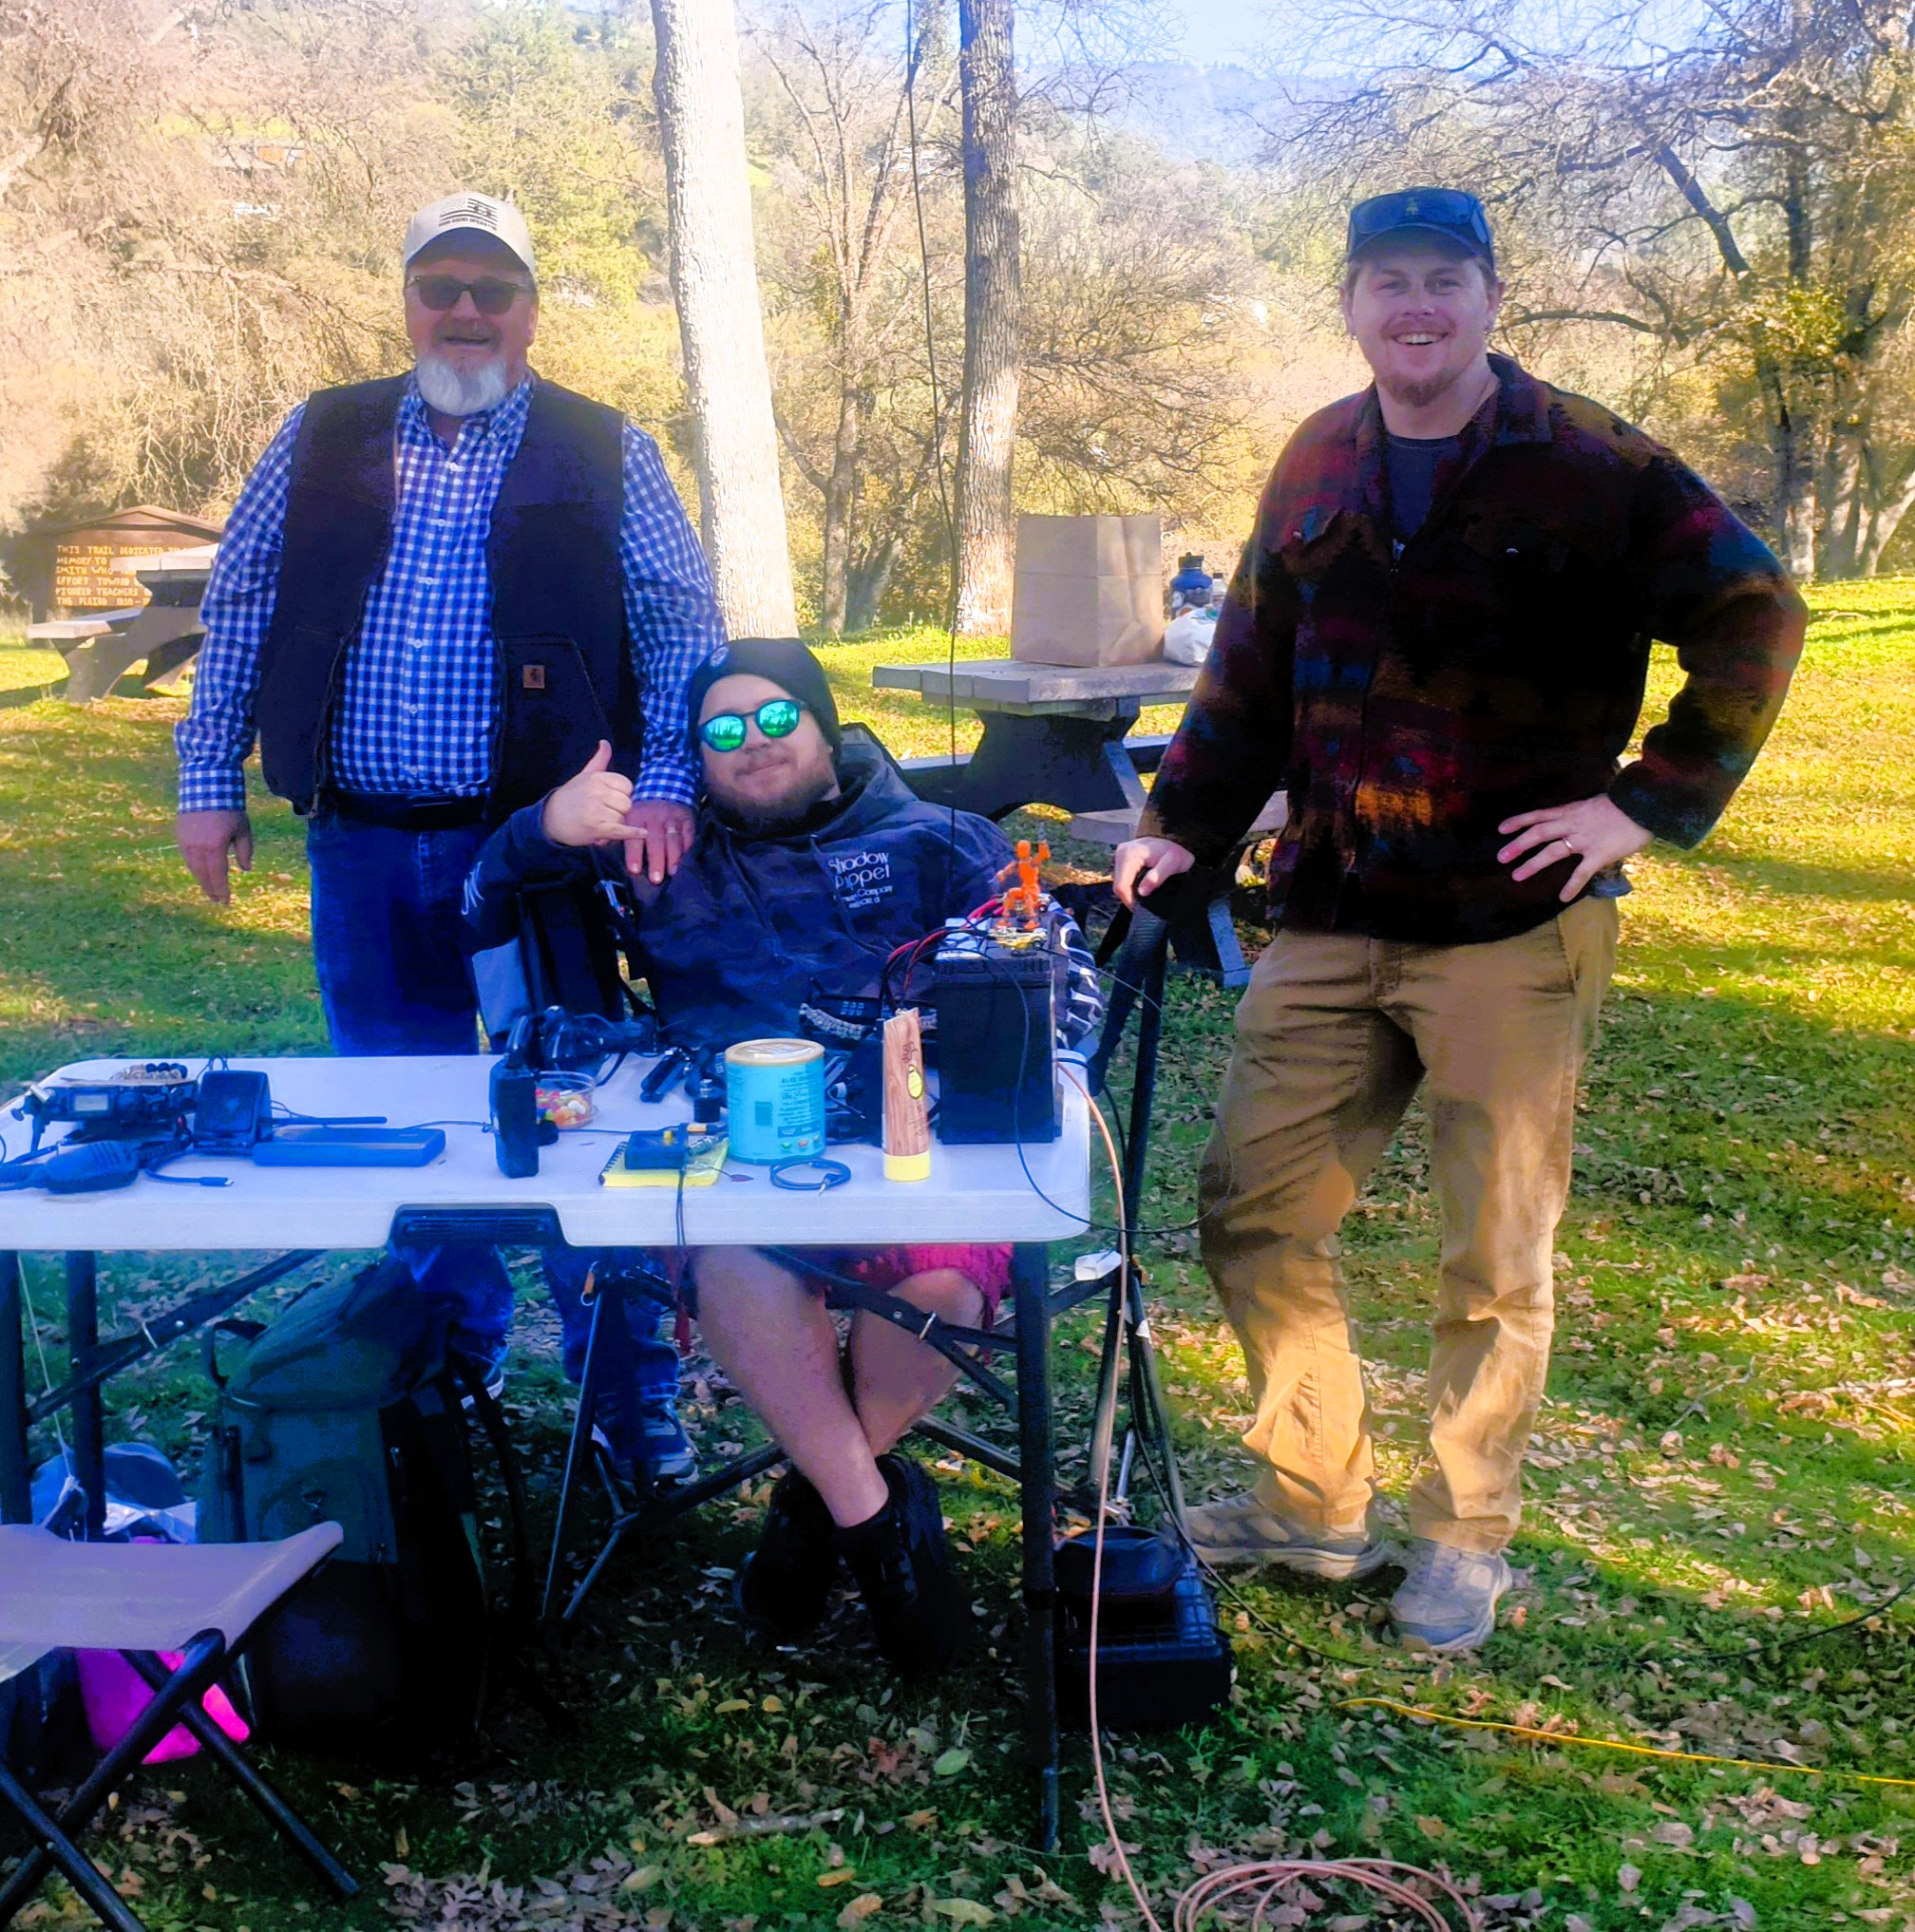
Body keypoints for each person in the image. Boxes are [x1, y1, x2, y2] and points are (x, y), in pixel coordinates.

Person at [1114, 187, 1806, 1653]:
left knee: (1493, 1253)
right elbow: (1248, 662)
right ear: (1351, 305)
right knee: (1251, 1205)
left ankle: (1464, 1532)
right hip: (1332, 905)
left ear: (1493, 296)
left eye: (1443, 278)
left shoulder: (1593, 462)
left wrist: (1647, 803)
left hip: (1510, 923)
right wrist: (1181, 823)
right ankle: (1314, 1500)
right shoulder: (1318, 456)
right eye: (1388, 282)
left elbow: (1755, 609)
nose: (1415, 306)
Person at [175, 191, 725, 1430]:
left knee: (583, 1112)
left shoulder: (607, 447)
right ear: (409, 301)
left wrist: (666, 785)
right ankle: (446, 1368)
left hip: (542, 851)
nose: (466, 310)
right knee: (400, 1108)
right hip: (361, 841)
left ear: (530, 309)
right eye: (442, 287)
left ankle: (627, 1398)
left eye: (493, 290)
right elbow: (241, 601)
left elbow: (682, 626)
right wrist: (210, 779)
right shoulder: (321, 433)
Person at [465, 637, 1101, 1674]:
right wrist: (542, 825)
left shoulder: (942, 841)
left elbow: (1065, 994)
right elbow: (488, 902)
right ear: (696, 756)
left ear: (822, 724)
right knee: (737, 1259)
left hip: (917, 1157)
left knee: (941, 1287)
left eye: (775, 718)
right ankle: (877, 1526)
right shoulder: (659, 854)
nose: (752, 744)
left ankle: (821, 1503)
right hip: (736, 1164)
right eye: (722, 730)